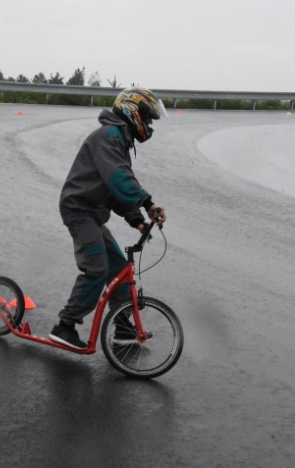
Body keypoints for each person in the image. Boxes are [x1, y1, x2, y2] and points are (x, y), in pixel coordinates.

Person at [48, 87, 168, 350]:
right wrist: (147, 202)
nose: (148, 125)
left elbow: (113, 189)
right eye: (147, 118)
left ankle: (123, 326)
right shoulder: (109, 137)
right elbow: (118, 178)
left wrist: (135, 218)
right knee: (97, 268)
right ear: (133, 112)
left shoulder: (120, 140)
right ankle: (65, 325)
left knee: (118, 268)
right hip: (79, 210)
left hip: (92, 212)